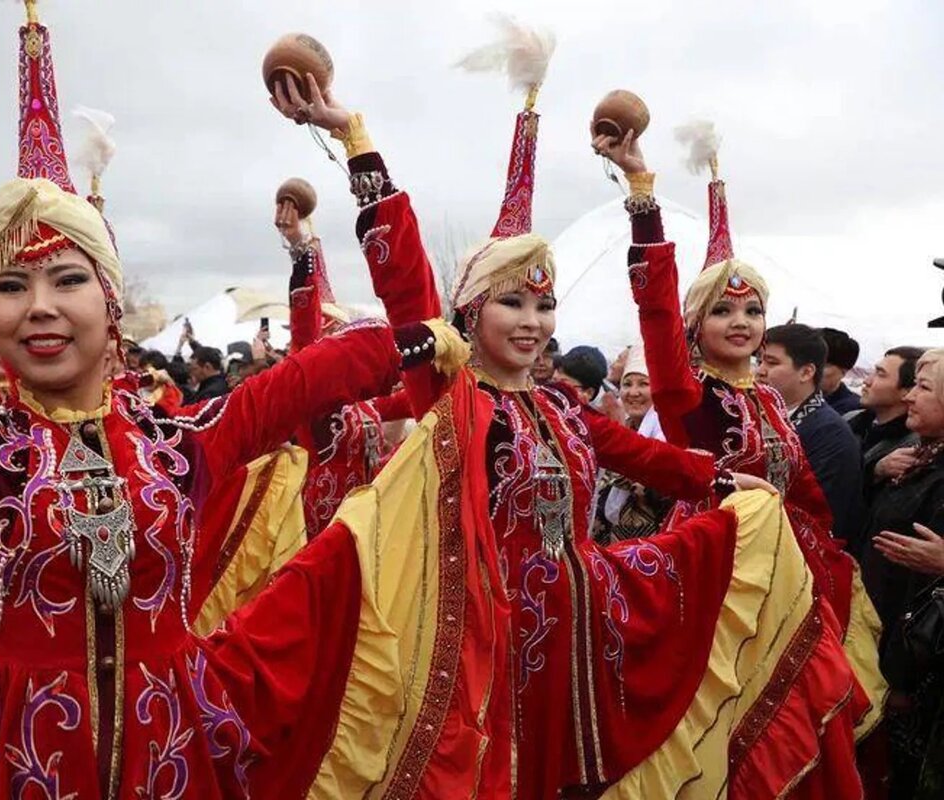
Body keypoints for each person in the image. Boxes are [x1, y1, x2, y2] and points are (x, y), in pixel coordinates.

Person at [0, 20, 447, 797]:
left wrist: (432, 334)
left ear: (110, 304)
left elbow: (319, 370)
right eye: (11, 287)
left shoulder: (183, 443)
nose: (39, 308)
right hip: (5, 767)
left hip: (178, 760)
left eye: (66, 281)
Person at [274, 56, 862, 797]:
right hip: (484, 634)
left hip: (577, 628)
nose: (532, 323)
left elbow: (649, 457)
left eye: (543, 307)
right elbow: (406, 286)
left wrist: (723, 480)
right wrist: (358, 144)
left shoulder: (560, 408)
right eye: (511, 304)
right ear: (469, 314)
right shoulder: (454, 397)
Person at [594, 122, 885, 752]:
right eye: (723, 311)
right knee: (720, 728)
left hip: (789, 572)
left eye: (753, 311)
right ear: (696, 327)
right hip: (717, 574)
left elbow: (801, 484)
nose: (742, 322)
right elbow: (658, 312)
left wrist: (827, 552)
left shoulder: (767, 398)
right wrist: (642, 195)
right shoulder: (688, 394)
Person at [277, 185, 411, 537]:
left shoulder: (363, 403)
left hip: (363, 521)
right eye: (332, 331)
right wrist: (301, 250)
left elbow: (410, 400)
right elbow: (305, 339)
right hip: (322, 524)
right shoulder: (316, 396)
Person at [861, 349, 944, 798]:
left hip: (908, 673)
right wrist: (875, 469)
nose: (909, 397)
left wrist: (900, 679)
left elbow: (923, 594)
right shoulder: (914, 454)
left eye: (924, 389)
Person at [757, 323, 864, 547]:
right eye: (760, 361)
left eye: (772, 362)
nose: (760, 370)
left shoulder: (829, 434)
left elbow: (818, 517)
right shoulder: (767, 415)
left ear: (806, 372)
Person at [594, 344, 674, 543]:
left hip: (657, 545)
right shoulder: (619, 431)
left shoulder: (672, 436)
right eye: (627, 384)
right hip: (612, 544)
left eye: (643, 384)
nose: (633, 392)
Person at [850, 346, 924, 519]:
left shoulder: (913, 447)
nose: (867, 381)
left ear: (908, 391)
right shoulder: (849, 421)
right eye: (873, 372)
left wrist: (873, 474)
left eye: (880, 374)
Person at [820, 326, 863, 415]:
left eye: (822, 365)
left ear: (844, 371)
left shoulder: (852, 411)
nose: (811, 372)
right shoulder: (789, 399)